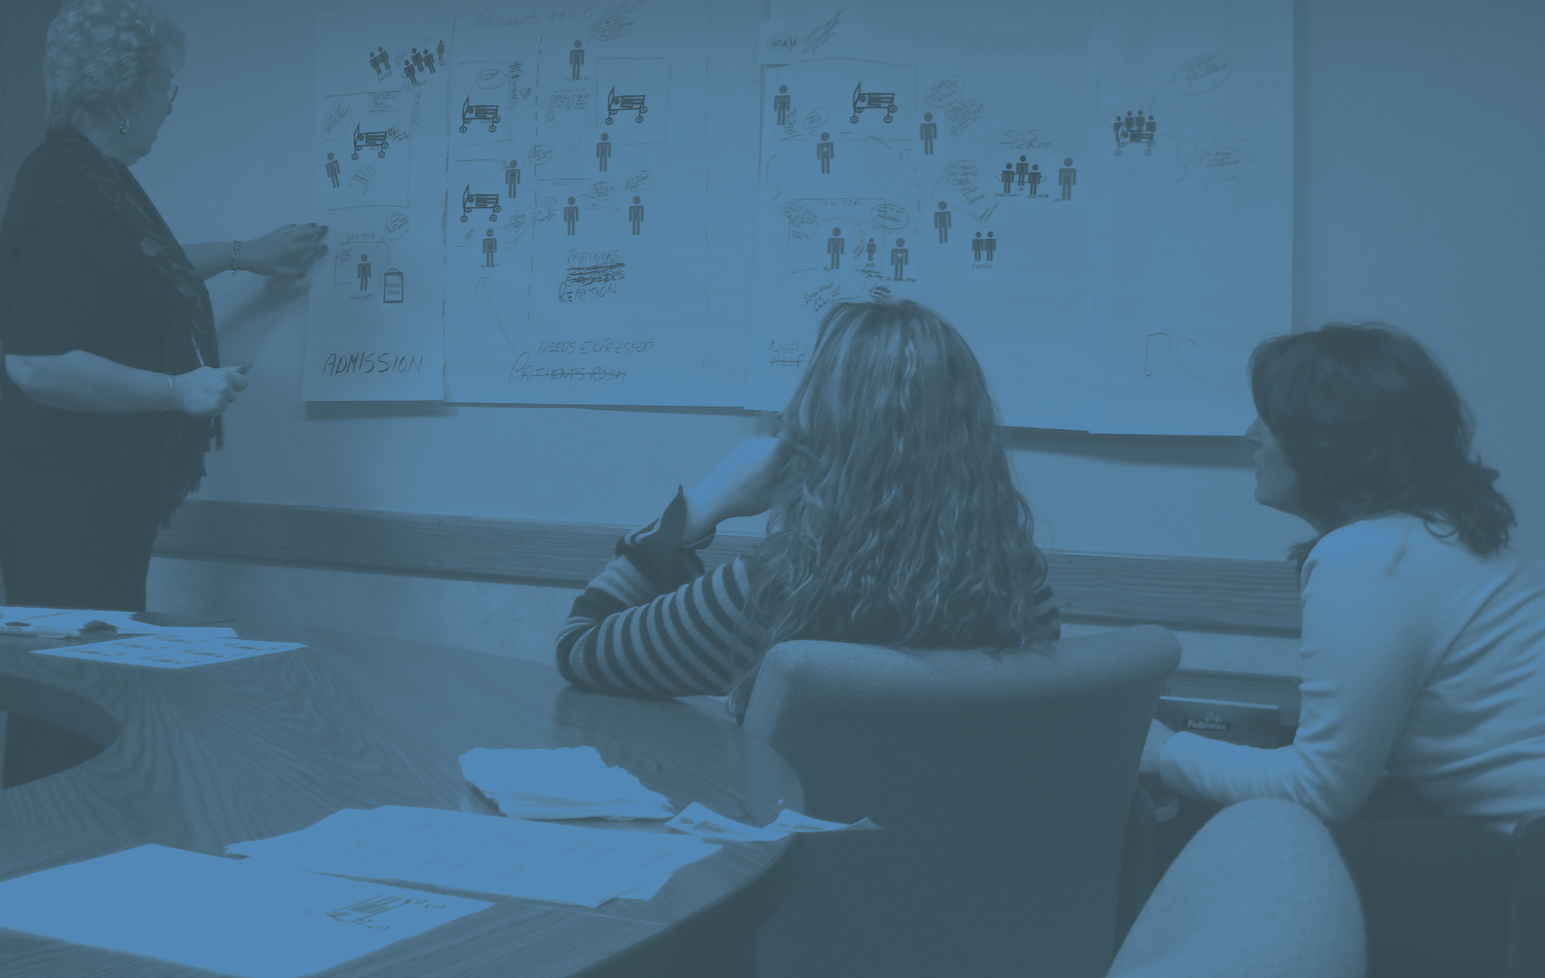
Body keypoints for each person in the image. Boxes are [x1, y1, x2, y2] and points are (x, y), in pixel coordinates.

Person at [1133, 322, 1545, 977]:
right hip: (1515, 841)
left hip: (1521, 867)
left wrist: (1163, 750)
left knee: (1220, 847)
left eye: (1267, 419)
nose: (1249, 435)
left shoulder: (1367, 556)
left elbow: (1321, 790)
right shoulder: (1440, 533)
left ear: (1325, 443)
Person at [557, 299, 1060, 720]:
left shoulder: (776, 591)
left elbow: (579, 649)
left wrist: (700, 504)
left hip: (797, 836)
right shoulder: (1022, 591)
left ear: (819, 435)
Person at [0, 0, 329, 612]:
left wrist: (243, 253)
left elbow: (135, 263)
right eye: (164, 89)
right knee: (77, 687)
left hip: (98, 486)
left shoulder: (91, 174)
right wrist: (177, 392)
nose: (170, 105)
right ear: (123, 98)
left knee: (99, 675)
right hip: (68, 494)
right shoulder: (69, 195)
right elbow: (35, 362)